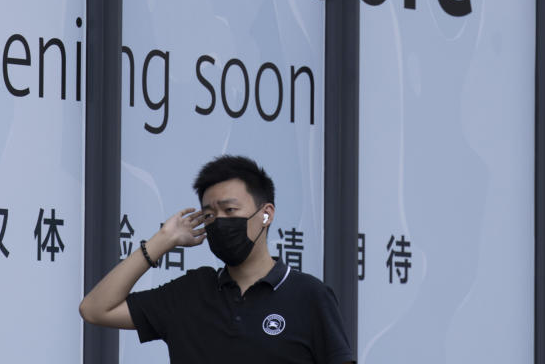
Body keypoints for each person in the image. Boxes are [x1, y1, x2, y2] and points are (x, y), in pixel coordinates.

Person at [79, 154, 354, 364]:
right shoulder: (190, 293)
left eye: (230, 210)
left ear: (266, 214)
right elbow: (94, 309)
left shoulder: (309, 296)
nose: (220, 222)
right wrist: (162, 240)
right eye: (209, 215)